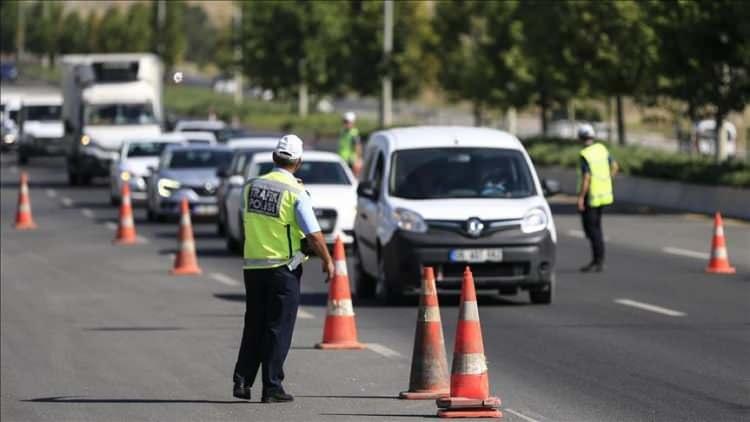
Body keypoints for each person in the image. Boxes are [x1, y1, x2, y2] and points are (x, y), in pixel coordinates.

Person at [233, 134, 335, 403]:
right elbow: (313, 234)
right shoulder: (295, 192)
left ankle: (242, 381)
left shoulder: (251, 186)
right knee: (278, 327)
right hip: (282, 268)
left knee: (254, 324)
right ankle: (272, 387)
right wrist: (328, 259)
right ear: (298, 162)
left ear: (273, 158)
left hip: (253, 266)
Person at [576, 123, 618, 273]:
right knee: (597, 228)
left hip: (591, 196)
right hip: (604, 195)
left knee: (592, 230)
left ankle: (598, 260)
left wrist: (581, 197)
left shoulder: (585, 154)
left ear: (580, 138)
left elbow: (586, 178)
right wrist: (607, 180)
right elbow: (615, 166)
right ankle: (597, 260)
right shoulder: (601, 149)